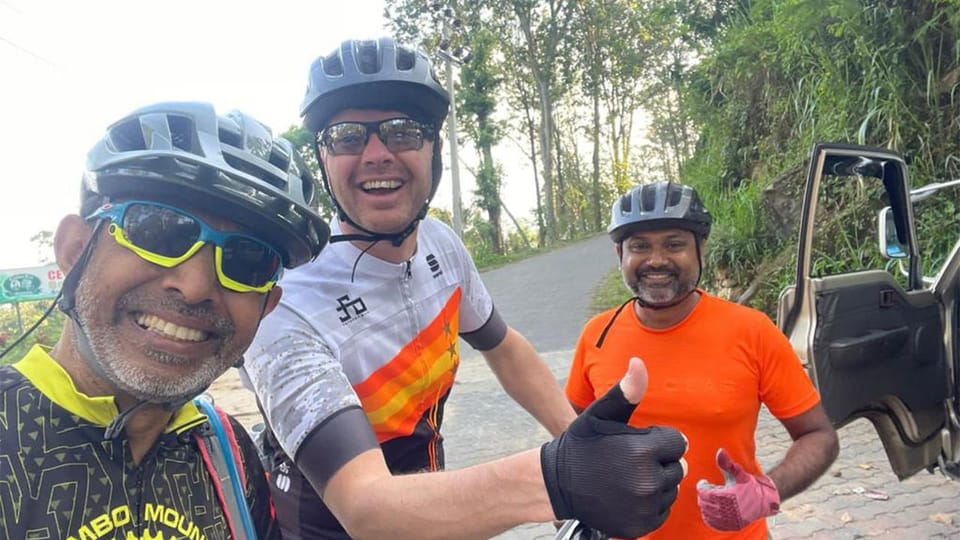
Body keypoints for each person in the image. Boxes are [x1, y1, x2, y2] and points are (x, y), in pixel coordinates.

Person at [241, 37, 687, 539]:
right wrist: (559, 479)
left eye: (402, 132)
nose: (376, 154)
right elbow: (366, 508)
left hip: (438, 515)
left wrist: (579, 443)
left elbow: (504, 345)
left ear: (433, 150)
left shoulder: (441, 246)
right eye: (346, 136)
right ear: (322, 159)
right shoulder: (285, 303)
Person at [0, 101, 331, 540]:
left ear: (265, 307)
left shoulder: (229, 455)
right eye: (159, 230)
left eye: (246, 260)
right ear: (75, 250)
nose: (195, 287)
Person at [565, 181, 840, 539]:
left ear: (701, 250)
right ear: (621, 256)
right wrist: (569, 496)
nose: (657, 260)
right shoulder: (596, 335)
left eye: (675, 244)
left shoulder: (751, 330)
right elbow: (570, 439)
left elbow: (819, 436)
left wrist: (766, 491)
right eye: (640, 246)